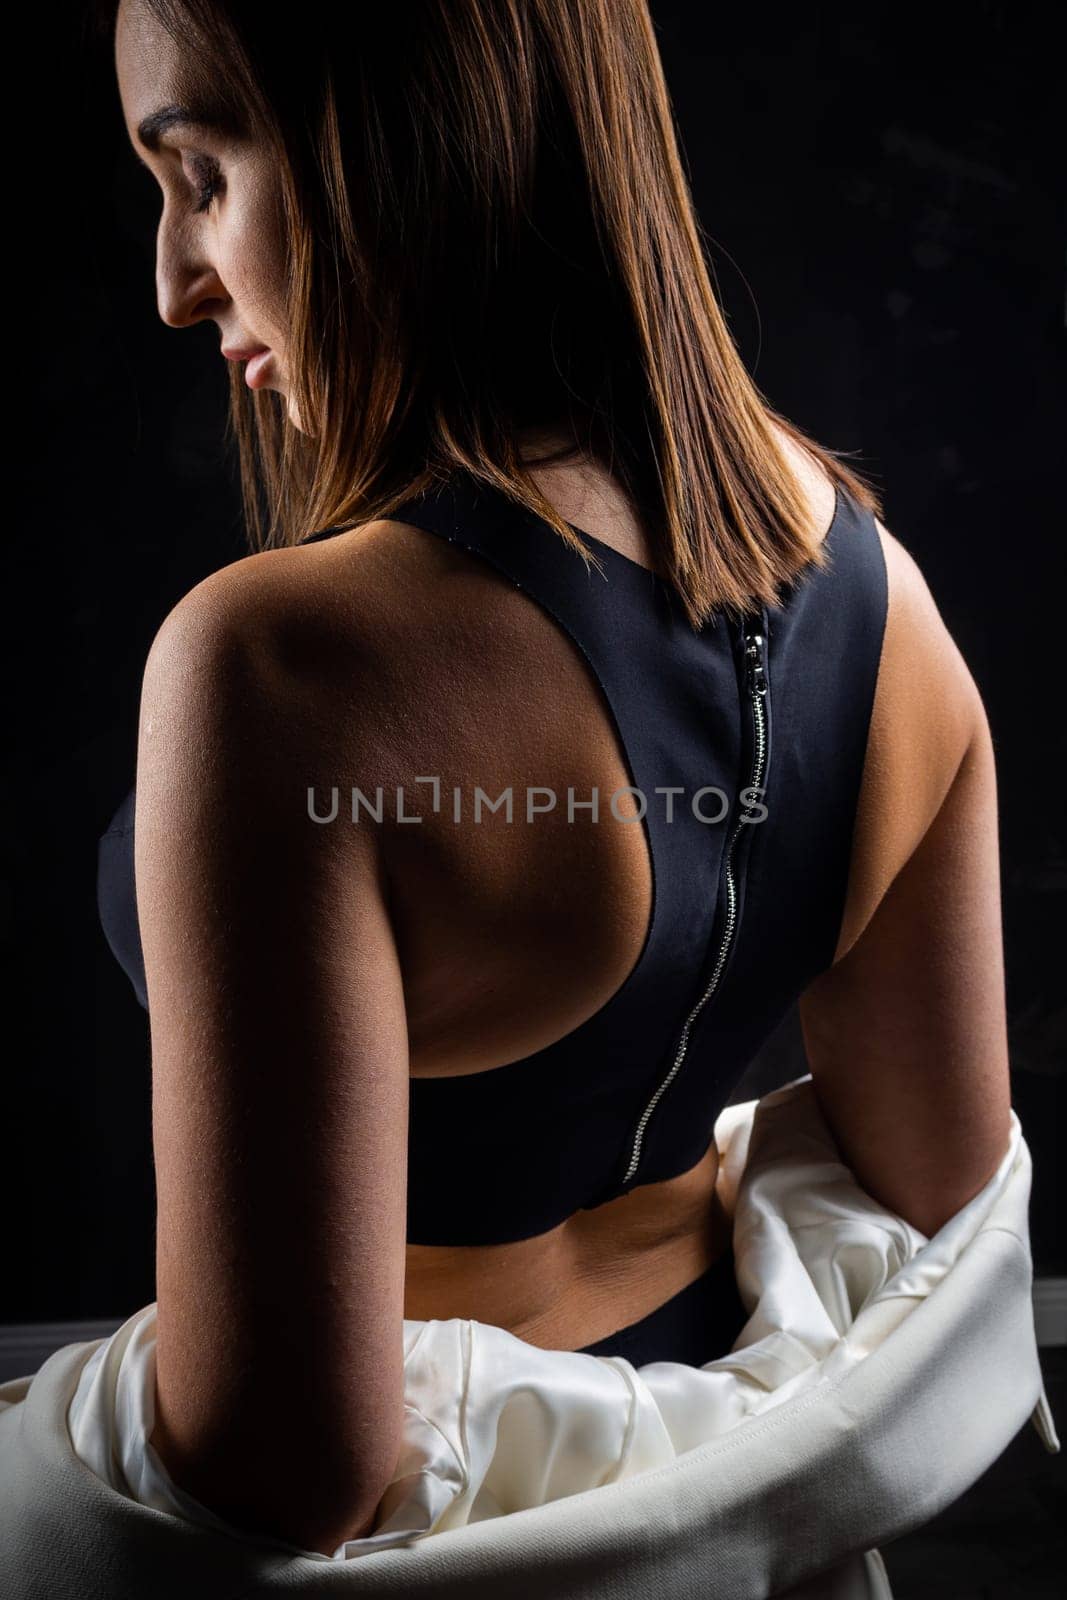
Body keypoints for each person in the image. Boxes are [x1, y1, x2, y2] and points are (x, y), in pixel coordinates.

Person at [92, 0, 1012, 1561]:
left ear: (398, 145)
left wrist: (49, 1449)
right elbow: (944, 1212)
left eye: (204, 175)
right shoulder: (876, 588)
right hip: (750, 1523)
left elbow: (279, 1468)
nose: (177, 281)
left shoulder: (276, 670)